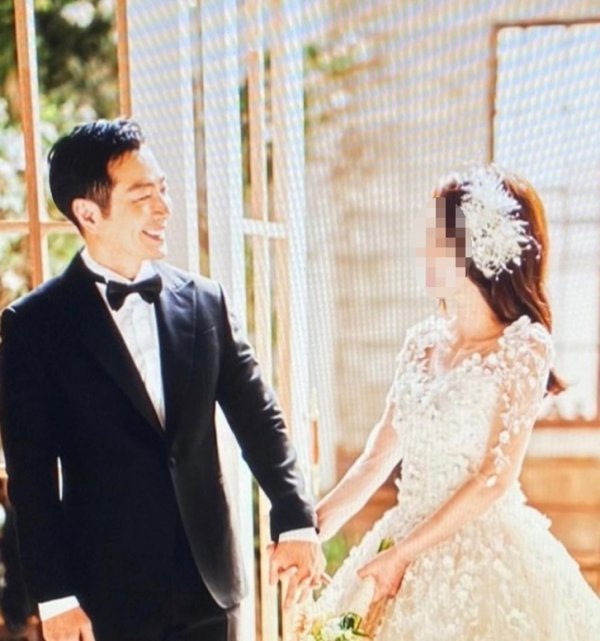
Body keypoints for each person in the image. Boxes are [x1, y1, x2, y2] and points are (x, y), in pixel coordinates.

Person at [0, 118, 325, 641]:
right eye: (142, 196)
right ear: (89, 213)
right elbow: (31, 478)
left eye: (164, 189)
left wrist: (294, 517)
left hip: (210, 587)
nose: (164, 208)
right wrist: (56, 598)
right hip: (105, 600)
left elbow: (258, 418)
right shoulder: (35, 326)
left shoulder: (205, 302)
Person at [297, 166, 600, 640]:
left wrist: (402, 555)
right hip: (402, 531)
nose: (423, 250)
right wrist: (309, 530)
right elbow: (377, 458)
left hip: (485, 553)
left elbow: (494, 478)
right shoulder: (421, 343)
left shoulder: (524, 346)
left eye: (435, 238)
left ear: (476, 249)